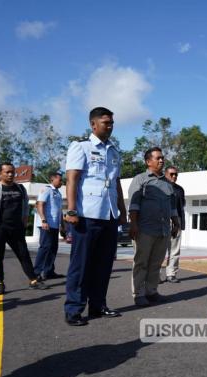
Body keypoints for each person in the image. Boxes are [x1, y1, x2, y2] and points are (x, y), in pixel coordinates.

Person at [63, 107, 127, 326]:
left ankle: (98, 305)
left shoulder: (114, 151)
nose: (109, 126)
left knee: (104, 264)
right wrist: (71, 210)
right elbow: (72, 179)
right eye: (106, 122)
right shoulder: (81, 147)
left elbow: (116, 182)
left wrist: (122, 212)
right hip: (87, 214)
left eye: (111, 123)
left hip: (108, 214)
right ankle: (74, 309)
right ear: (93, 124)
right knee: (81, 264)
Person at [0, 163, 48, 295]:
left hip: (16, 229)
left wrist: (25, 217)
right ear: (0, 173)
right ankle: (0, 283)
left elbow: (26, 204)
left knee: (23, 254)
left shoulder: (20, 189)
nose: (10, 174)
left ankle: (33, 280)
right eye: (7, 172)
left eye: (12, 172)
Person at [128, 147, 180, 307]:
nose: (161, 160)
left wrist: (176, 223)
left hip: (163, 230)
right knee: (141, 263)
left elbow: (172, 207)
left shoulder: (167, 183)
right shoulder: (140, 179)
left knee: (156, 264)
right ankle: (138, 294)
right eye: (158, 158)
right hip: (144, 229)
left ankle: (151, 291)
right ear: (148, 161)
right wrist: (134, 224)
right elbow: (134, 204)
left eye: (162, 158)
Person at [33, 172, 65, 280]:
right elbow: (40, 204)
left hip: (55, 225)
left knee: (53, 248)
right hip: (46, 224)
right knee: (45, 247)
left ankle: (48, 271)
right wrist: (43, 220)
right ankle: (36, 273)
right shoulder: (46, 189)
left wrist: (62, 225)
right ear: (52, 179)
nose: (62, 182)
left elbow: (59, 211)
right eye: (60, 180)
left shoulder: (58, 193)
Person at [163, 165, 185, 283]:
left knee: (175, 249)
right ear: (165, 174)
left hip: (177, 221)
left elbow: (181, 207)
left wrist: (179, 223)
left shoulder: (180, 189)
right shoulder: (159, 186)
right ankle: (155, 276)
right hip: (163, 221)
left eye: (176, 174)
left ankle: (171, 274)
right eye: (171, 174)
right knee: (159, 250)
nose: (174, 176)